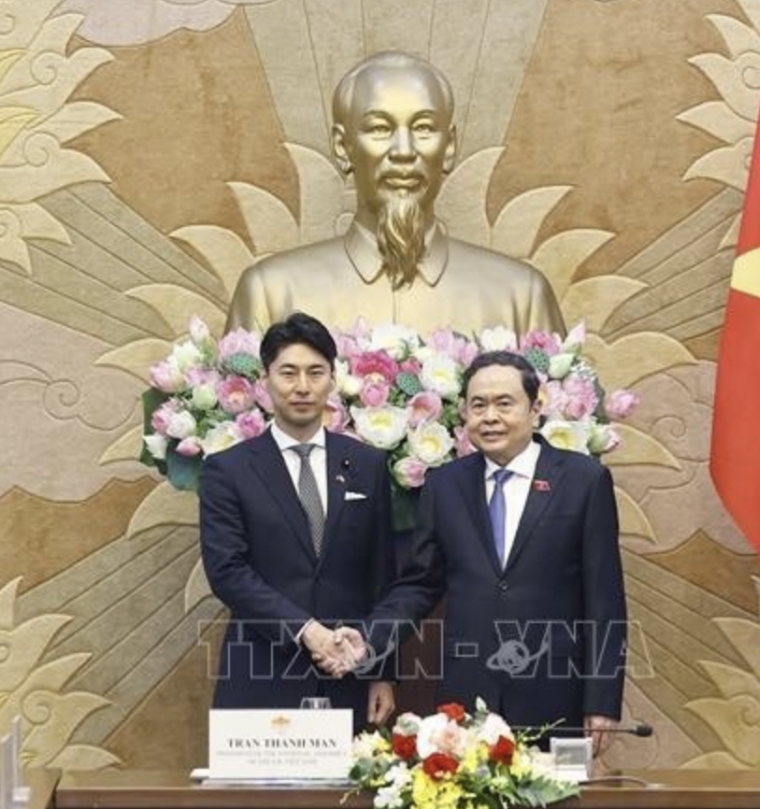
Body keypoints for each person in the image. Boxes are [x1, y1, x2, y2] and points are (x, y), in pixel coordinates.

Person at [339, 351, 627, 752]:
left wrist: (603, 701)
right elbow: (419, 584)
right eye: (478, 405)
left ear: (536, 407)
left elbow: (605, 599)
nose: (490, 416)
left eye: (504, 403)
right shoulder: (445, 485)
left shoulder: (583, 480)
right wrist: (370, 639)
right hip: (467, 698)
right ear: (465, 416)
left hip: (559, 696)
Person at [225, 51, 565, 337]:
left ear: (449, 147)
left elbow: (561, 416)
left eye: (423, 128)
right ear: (343, 147)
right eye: (379, 128)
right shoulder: (270, 293)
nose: (403, 151)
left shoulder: (521, 298)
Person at [198, 312, 396, 729]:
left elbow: (382, 575)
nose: (302, 387)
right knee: (261, 798)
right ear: (265, 381)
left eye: (315, 372)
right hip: (262, 672)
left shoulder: (367, 464)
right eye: (288, 373)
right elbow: (227, 572)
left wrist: (380, 669)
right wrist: (307, 630)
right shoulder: (227, 470)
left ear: (333, 380)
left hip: (350, 674)